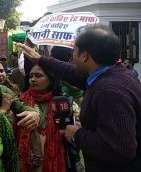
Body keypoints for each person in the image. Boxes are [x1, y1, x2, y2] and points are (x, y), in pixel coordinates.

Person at [21, 26, 141, 171]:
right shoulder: (110, 75)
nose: (72, 57)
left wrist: (77, 134)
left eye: (74, 52)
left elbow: (120, 149)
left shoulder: (110, 91)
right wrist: (40, 59)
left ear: (84, 56)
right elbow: (72, 73)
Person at [17, 64, 67, 172]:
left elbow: (67, 132)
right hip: (27, 161)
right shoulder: (20, 101)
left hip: (52, 158)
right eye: (31, 76)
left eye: (38, 76)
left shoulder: (61, 102)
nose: (33, 79)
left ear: (51, 79)